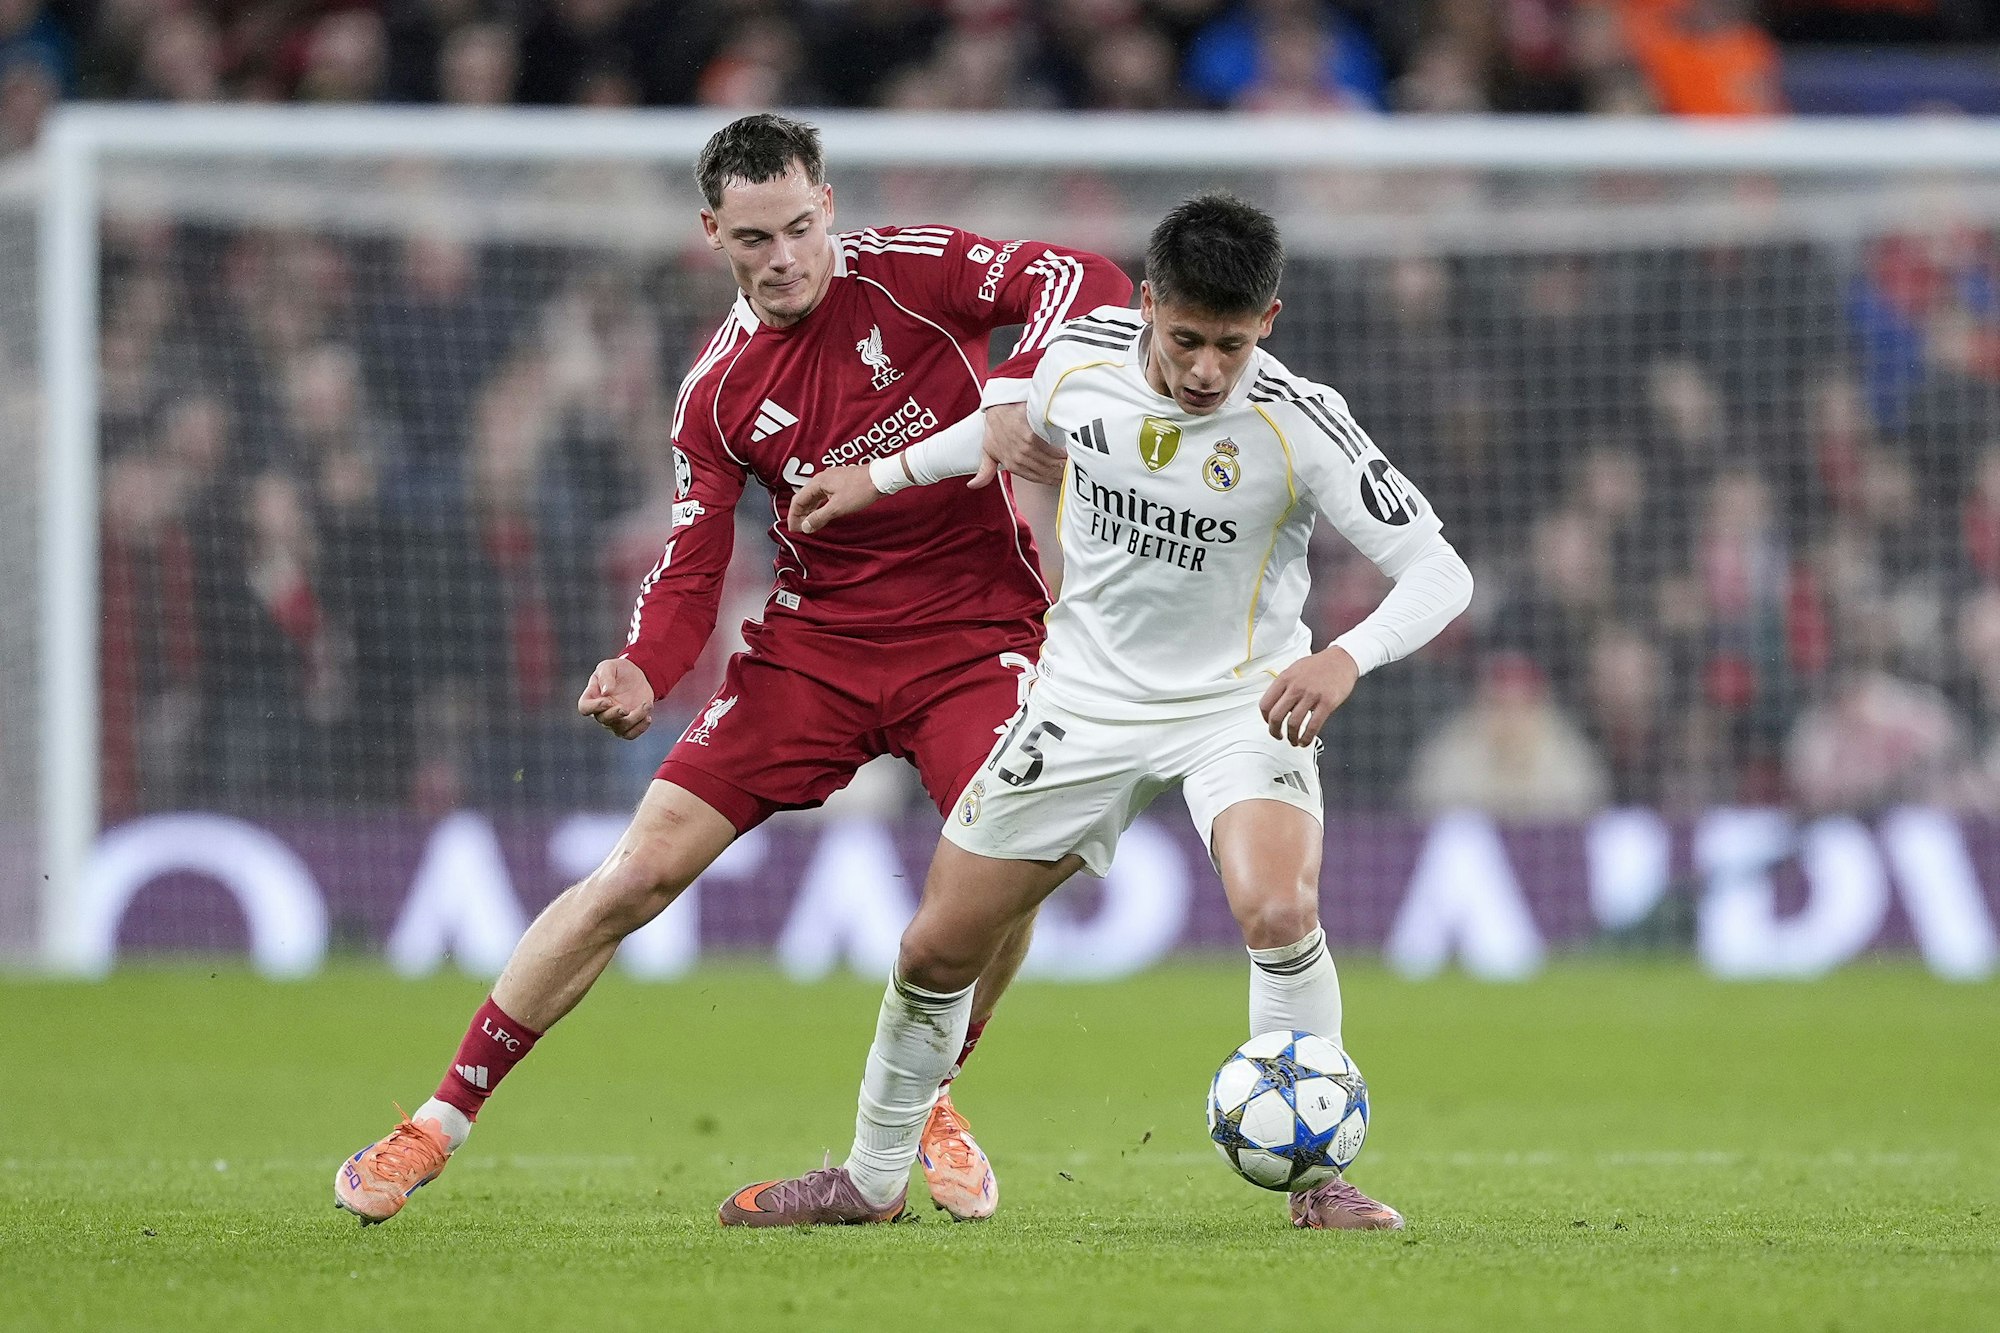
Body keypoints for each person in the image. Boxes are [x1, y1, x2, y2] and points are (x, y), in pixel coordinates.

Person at [333, 113, 1130, 1225]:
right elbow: (689, 565)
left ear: (829, 208)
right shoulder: (715, 391)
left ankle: (928, 1099)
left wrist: (1012, 390)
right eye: (755, 237)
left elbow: (1082, 273)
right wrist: (644, 668)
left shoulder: (910, 271)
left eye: (800, 227)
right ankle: (433, 1122)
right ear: (712, 233)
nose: (785, 257)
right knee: (636, 874)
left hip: (977, 633)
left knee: (1003, 864)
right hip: (814, 649)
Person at [719, 193, 1473, 1231]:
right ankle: (868, 1179)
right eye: (1185, 340)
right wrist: (876, 477)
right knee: (936, 949)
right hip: (1079, 702)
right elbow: (991, 430)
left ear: (1270, 321)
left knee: (1278, 910)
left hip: (1235, 703)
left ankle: (1317, 1185)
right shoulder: (1075, 358)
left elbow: (1437, 570)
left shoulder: (1300, 422)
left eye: (1231, 344)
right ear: (1149, 304)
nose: (1206, 369)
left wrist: (1343, 656)